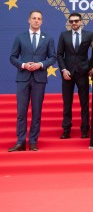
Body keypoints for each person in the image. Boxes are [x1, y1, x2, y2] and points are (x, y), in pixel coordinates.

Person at [8, 11, 56, 152]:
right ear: (29, 20)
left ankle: (33, 141)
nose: (36, 21)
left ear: (42, 21)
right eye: (34, 18)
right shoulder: (20, 37)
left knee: (37, 112)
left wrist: (40, 64)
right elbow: (13, 57)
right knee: (21, 112)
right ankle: (20, 142)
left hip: (39, 79)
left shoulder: (48, 38)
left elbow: (52, 57)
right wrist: (23, 65)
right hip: (23, 78)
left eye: (39, 19)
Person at [57, 12, 93, 139]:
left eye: (76, 21)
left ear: (81, 21)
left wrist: (90, 67)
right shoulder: (64, 35)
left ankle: (85, 129)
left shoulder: (89, 35)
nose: (74, 23)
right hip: (67, 73)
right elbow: (59, 54)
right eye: (71, 21)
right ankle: (66, 129)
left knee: (84, 102)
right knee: (67, 102)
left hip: (83, 73)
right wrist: (63, 70)